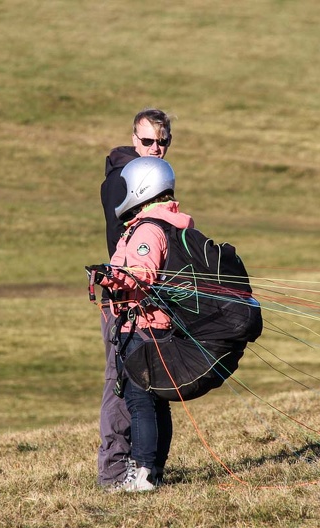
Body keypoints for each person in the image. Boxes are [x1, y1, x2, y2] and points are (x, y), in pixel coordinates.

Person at [89, 156, 192, 492]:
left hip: (145, 327)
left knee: (140, 399)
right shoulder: (172, 224)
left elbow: (142, 274)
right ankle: (155, 470)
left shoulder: (148, 228)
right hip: (162, 326)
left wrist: (111, 278)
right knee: (156, 400)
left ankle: (144, 473)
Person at [96, 109, 172, 489]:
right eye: (147, 141)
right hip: (127, 303)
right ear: (133, 137)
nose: (155, 149)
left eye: (162, 142)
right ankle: (115, 473)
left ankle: (148, 467)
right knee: (123, 385)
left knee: (154, 389)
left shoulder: (152, 177)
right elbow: (131, 249)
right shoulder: (122, 182)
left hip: (150, 304)